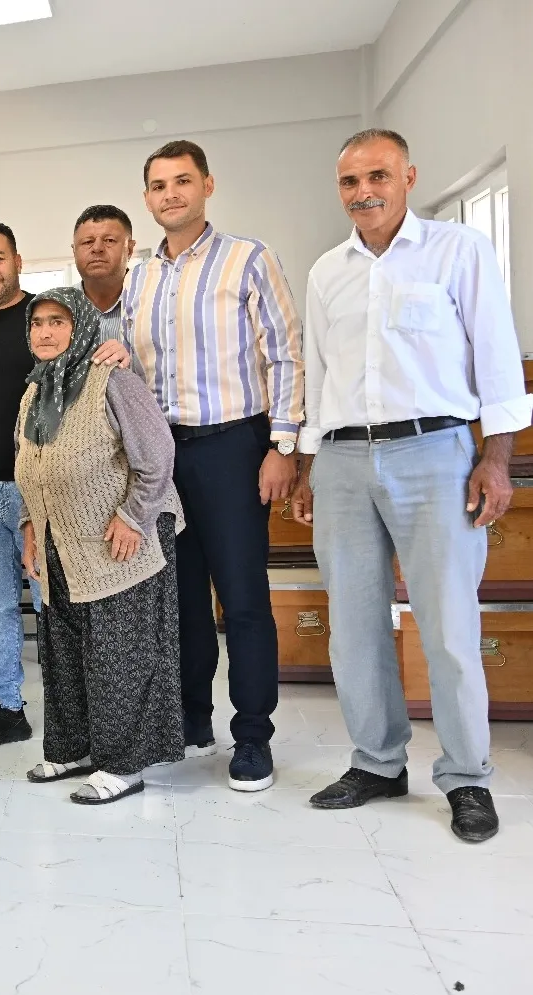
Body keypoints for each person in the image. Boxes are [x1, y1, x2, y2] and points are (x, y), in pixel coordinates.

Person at [294, 129, 529, 842]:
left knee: (449, 625)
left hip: (436, 454)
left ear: (408, 177)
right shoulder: (326, 272)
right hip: (342, 461)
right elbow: (318, 375)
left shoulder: (459, 251)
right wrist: (308, 464)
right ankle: (376, 762)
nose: (363, 191)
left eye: (378, 176)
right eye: (350, 181)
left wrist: (497, 459)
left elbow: (496, 358)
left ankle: (467, 776)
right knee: (354, 626)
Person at [124, 139, 304, 792]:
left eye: (182, 181)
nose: (170, 194)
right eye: (158, 185)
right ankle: (190, 719)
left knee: (243, 599)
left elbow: (285, 352)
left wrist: (282, 446)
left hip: (232, 448)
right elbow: (133, 369)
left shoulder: (248, 259)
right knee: (179, 600)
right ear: (147, 198)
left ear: (207, 185)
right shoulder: (139, 277)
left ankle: (252, 736)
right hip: (163, 456)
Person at [0, 221, 129, 753]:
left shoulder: (44, 316)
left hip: (40, 492)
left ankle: (70, 712)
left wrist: (119, 352)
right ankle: (7, 708)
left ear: (17, 261)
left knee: (54, 603)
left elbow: (88, 362)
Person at [15, 288, 185, 804]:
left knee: (119, 656)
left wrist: (134, 518)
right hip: (60, 542)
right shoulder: (34, 391)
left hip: (120, 541)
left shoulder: (112, 381)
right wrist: (29, 525)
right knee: (63, 651)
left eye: (58, 321)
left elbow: (157, 455)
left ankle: (123, 764)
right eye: (37, 323)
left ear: (82, 328)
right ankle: (73, 749)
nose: (45, 332)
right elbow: (28, 466)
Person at [71, 204, 138, 341]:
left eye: (109, 240)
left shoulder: (154, 303)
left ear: (129, 249)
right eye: (87, 242)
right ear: (74, 251)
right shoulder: (60, 307)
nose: (97, 248)